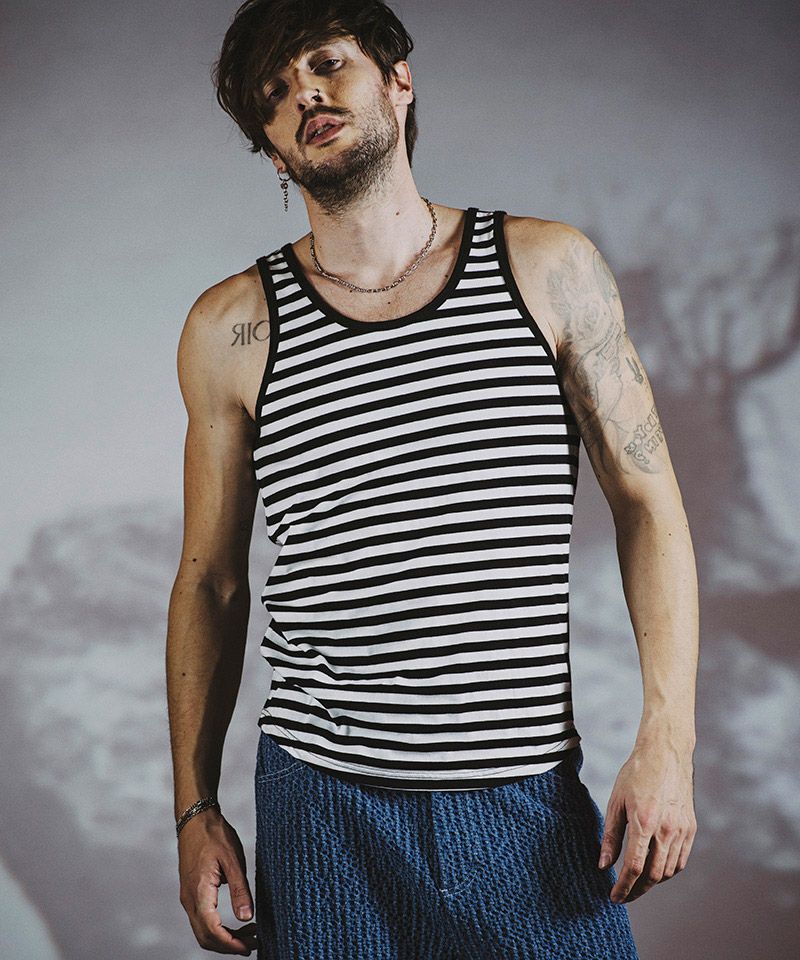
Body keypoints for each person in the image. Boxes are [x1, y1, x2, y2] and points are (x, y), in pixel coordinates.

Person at [166, 1, 699, 957]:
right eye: (274, 94)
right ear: (273, 153)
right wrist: (193, 807)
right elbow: (210, 581)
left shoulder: (546, 267)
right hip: (321, 809)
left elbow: (647, 505)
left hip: (526, 802)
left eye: (327, 63)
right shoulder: (230, 327)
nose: (305, 95)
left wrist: (669, 739)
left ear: (399, 79)